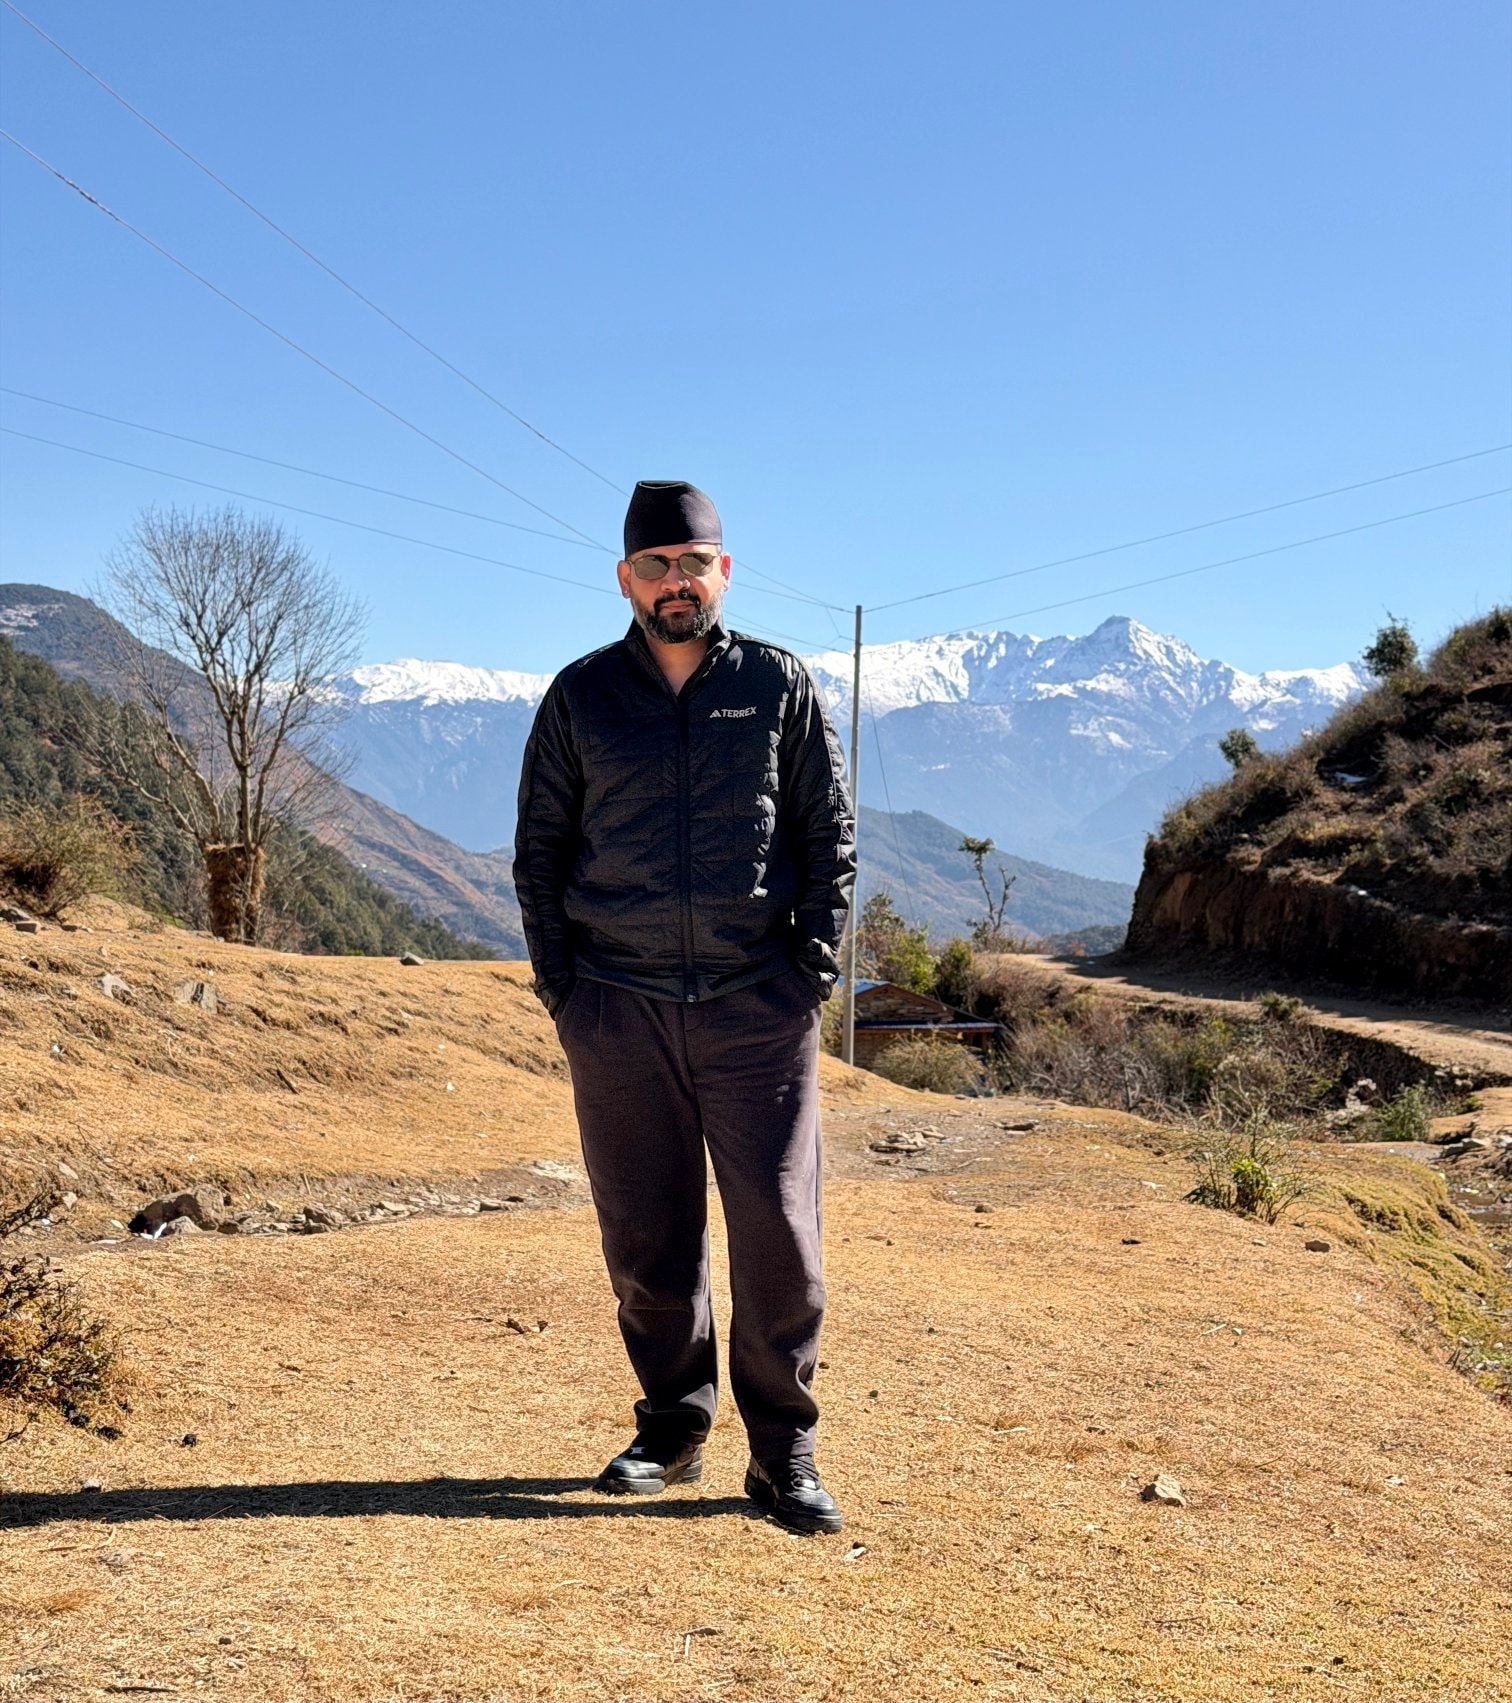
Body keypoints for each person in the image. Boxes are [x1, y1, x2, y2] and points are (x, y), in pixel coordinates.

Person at [513, 479, 856, 1535]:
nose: (677, 582)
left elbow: (828, 838)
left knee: (779, 1233)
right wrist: (567, 991)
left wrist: (807, 974)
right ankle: (672, 1422)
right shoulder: (581, 697)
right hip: (618, 1007)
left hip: (757, 1008)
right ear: (626, 579)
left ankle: (782, 1447)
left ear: (724, 571)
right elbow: (539, 852)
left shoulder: (777, 684)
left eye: (693, 563)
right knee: (645, 1231)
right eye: (657, 565)